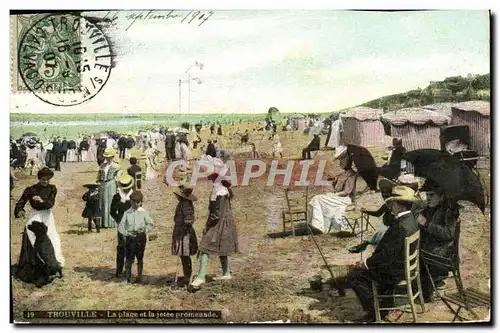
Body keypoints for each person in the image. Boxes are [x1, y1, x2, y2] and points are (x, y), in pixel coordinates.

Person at [347, 185, 420, 322]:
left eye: (393, 203)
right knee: (370, 269)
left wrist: (366, 263)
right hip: (404, 266)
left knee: (354, 276)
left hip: (395, 271)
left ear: (401, 205)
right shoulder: (411, 220)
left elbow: (386, 257)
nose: (390, 206)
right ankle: (386, 307)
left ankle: (374, 312)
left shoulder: (400, 227)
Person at [14, 167, 65, 284]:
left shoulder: (52, 189)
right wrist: (20, 210)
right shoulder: (31, 189)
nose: (45, 181)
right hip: (35, 216)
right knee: (30, 237)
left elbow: (50, 203)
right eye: (43, 179)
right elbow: (21, 201)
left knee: (51, 240)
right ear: (39, 178)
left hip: (47, 217)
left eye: (47, 179)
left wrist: (42, 201)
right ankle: (32, 266)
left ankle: (52, 266)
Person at [349, 177, 423, 253]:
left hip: (397, 232)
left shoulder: (413, 205)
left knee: (382, 234)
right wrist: (365, 211)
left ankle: (369, 247)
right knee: (380, 231)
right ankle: (366, 244)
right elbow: (378, 213)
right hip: (392, 228)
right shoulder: (394, 203)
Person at [190, 175, 238, 289]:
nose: (209, 178)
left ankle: (201, 277)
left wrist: (207, 226)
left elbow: (216, 214)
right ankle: (226, 273)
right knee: (223, 246)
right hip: (227, 221)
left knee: (204, 247)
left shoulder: (218, 190)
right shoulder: (224, 189)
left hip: (219, 222)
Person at [418, 179, 459, 301]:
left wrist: (426, 223)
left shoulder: (449, 211)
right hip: (434, 249)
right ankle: (420, 285)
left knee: (417, 255)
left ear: (442, 197)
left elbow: (448, 233)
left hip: (444, 255)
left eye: (432, 195)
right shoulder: (430, 208)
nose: (428, 198)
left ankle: (426, 293)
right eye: (427, 195)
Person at [307, 146, 357, 233]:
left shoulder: (351, 174)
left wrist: (333, 195)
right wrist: (334, 181)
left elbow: (346, 191)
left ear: (348, 161)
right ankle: (317, 225)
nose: (340, 162)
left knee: (317, 199)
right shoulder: (342, 174)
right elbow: (337, 189)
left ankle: (318, 226)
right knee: (316, 199)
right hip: (339, 198)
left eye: (343, 160)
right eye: (340, 160)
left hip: (345, 199)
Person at [117, 191, 154, 283]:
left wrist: (145, 230)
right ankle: (128, 278)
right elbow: (120, 227)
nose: (135, 204)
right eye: (133, 202)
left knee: (140, 257)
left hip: (140, 238)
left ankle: (139, 276)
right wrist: (127, 233)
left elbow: (150, 224)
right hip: (130, 239)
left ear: (141, 202)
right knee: (129, 258)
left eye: (138, 202)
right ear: (130, 202)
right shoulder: (127, 213)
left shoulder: (144, 212)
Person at [171, 184, 198, 287]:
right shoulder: (183, 203)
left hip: (184, 234)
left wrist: (183, 229)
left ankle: (188, 277)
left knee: (185, 255)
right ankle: (186, 275)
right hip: (181, 232)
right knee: (183, 255)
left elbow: (189, 219)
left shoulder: (185, 204)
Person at [110, 175, 135, 278]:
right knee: (121, 247)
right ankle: (119, 270)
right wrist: (118, 220)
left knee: (131, 247)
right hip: (122, 226)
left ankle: (128, 269)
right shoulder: (117, 197)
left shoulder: (135, 196)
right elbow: (112, 211)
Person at [97, 148, 121, 229]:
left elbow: (118, 178)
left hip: (111, 184)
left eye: (109, 157)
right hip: (103, 184)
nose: (107, 158)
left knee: (111, 202)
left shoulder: (116, 166)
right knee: (103, 202)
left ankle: (111, 223)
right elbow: (99, 176)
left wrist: (118, 188)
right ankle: (104, 223)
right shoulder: (102, 166)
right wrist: (98, 184)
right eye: (106, 157)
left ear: (113, 157)